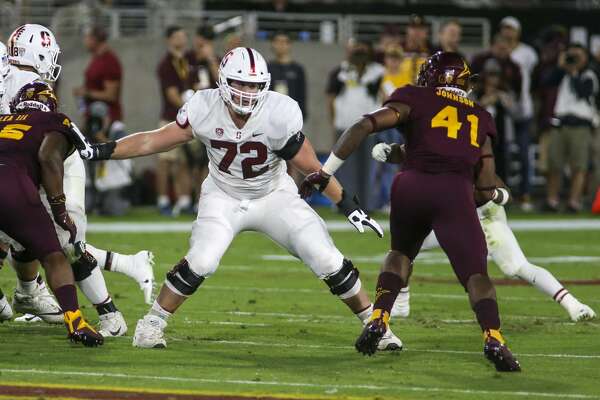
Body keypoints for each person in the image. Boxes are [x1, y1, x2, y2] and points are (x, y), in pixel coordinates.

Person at [78, 47, 403, 352]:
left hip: (274, 194)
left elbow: (311, 168)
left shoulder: (279, 112)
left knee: (327, 258)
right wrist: (103, 149)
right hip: (223, 195)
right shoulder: (204, 106)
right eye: (240, 84)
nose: (247, 93)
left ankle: (376, 324)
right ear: (223, 81)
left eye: (254, 85)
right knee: (202, 260)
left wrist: (347, 204)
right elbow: (153, 141)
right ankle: (152, 322)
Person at [302, 52, 521, 372]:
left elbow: (364, 125)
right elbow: (485, 185)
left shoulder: (414, 96)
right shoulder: (479, 115)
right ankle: (493, 336)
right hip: (454, 191)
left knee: (400, 254)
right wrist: (496, 195)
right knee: (475, 274)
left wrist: (325, 172)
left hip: (409, 186)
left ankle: (378, 317)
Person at [3, 24, 154, 330]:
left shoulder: (28, 84)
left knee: (62, 238)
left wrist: (56, 203)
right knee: (30, 235)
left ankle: (107, 312)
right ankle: (31, 291)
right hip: (23, 164)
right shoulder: (19, 78)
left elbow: (46, 146)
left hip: (52, 162)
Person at [372, 153, 596, 323]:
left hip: (483, 218)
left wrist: (492, 194)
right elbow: (411, 152)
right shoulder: (433, 152)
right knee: (403, 251)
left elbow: (503, 191)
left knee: (516, 267)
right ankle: (401, 301)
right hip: (451, 220)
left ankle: (573, 304)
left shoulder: (469, 155)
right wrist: (390, 152)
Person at [0, 82, 103, 346]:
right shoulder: (54, 120)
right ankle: (75, 321)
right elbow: (48, 157)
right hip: (10, 184)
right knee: (54, 256)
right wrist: (59, 211)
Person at [326, 38, 384, 211]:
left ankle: (367, 205)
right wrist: (333, 121)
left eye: (362, 52)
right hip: (345, 126)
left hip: (369, 128)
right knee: (344, 168)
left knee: (369, 168)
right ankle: (343, 204)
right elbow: (330, 98)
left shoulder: (378, 73)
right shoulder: (339, 72)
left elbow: (385, 95)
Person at [543, 43, 598, 213]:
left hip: (580, 125)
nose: (574, 60)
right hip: (560, 123)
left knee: (579, 166)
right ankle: (552, 201)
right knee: (554, 164)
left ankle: (574, 202)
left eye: (578, 56)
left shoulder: (590, 75)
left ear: (585, 58)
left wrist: (573, 72)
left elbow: (583, 92)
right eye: (571, 56)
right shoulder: (562, 74)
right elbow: (545, 82)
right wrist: (560, 66)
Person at [500, 16, 539, 211]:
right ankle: (503, 195)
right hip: (504, 112)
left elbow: (533, 80)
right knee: (503, 154)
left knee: (525, 154)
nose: (508, 33)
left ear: (518, 32)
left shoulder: (528, 53)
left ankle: (525, 195)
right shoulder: (497, 51)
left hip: (523, 110)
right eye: (505, 29)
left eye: (511, 29)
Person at [156, 25, 195, 216]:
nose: (182, 39)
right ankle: (163, 199)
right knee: (165, 161)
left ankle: (184, 199)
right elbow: (171, 94)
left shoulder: (191, 59)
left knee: (185, 161)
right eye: (177, 36)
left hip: (188, 118)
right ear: (169, 39)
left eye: (183, 35)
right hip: (171, 117)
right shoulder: (166, 64)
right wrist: (190, 110)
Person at [74, 26, 123, 124]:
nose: (85, 41)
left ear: (95, 39)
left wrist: (86, 93)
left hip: (106, 120)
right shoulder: (97, 59)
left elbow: (111, 95)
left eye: (87, 38)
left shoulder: (109, 61)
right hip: (93, 117)